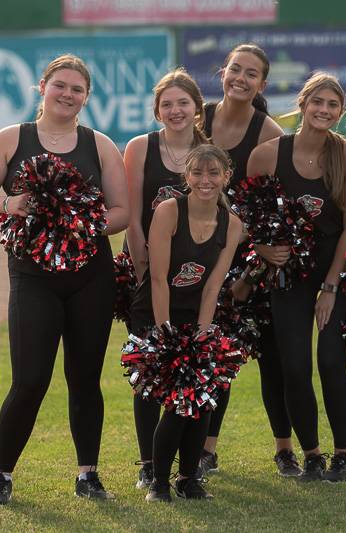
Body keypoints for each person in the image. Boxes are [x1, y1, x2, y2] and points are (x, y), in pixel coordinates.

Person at [0, 54, 128, 505]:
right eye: (60, 85)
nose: (68, 94)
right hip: (33, 277)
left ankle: (87, 475)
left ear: (87, 97)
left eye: (77, 89)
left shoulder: (101, 145)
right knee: (30, 379)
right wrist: (7, 204)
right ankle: (1, 476)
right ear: (42, 87)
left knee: (84, 378)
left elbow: (121, 213)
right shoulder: (11, 139)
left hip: (90, 276)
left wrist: (79, 225)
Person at [246, 72, 346, 482]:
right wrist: (262, 249)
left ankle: (344, 455)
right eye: (318, 102)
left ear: (341, 112)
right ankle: (312, 454)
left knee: (331, 361)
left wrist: (331, 286)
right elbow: (249, 217)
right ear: (302, 103)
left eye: (333, 105)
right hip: (288, 275)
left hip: (337, 270)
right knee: (294, 367)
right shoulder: (266, 154)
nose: (324, 110)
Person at [198, 43, 301, 479]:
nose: (240, 78)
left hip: (254, 263)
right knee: (213, 357)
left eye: (251, 73)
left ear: (262, 83)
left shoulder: (269, 134)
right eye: (234, 69)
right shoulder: (198, 118)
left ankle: (284, 450)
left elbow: (281, 216)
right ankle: (205, 450)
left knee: (272, 361)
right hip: (202, 258)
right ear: (223, 72)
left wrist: (256, 262)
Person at [129, 144, 242, 501]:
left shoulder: (232, 223)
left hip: (197, 317)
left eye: (213, 173)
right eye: (197, 173)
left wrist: (203, 334)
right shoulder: (168, 211)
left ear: (227, 176)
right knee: (175, 402)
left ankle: (189, 479)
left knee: (201, 399)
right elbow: (158, 277)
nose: (205, 180)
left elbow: (213, 285)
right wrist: (164, 332)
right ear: (187, 177)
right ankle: (159, 482)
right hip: (155, 314)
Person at [123, 68, 208, 489]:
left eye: (183, 103)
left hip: (195, 281)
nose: (175, 110)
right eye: (167, 104)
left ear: (197, 108)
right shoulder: (141, 147)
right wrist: (144, 270)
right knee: (149, 372)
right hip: (147, 277)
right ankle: (147, 463)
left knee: (195, 371)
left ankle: (191, 464)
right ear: (157, 110)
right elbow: (133, 216)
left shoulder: (210, 152)